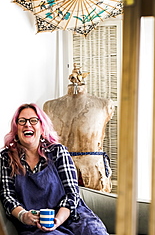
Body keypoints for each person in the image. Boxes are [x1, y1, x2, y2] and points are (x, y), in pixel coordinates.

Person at [0, 103, 116, 235]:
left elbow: (72, 193)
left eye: (33, 120)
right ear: (16, 128)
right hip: (38, 227)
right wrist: (25, 216)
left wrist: (58, 220)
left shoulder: (58, 152)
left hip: (73, 217)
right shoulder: (7, 158)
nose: (27, 125)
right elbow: (8, 196)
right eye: (22, 121)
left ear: (41, 126)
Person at [43, 64, 115, 192]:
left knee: (93, 208)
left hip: (93, 174)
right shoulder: (50, 106)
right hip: (58, 170)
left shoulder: (104, 105)